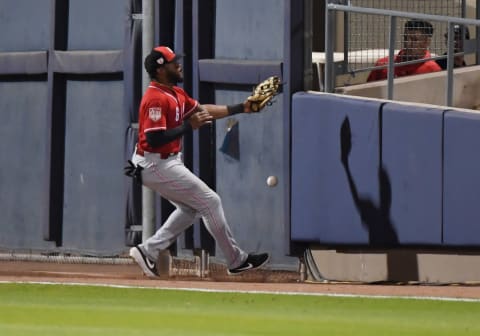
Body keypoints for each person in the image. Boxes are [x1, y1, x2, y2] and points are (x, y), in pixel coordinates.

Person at [128, 46, 269, 277]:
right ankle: (236, 260)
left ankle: (148, 251)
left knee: (191, 208)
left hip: (165, 161)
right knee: (210, 202)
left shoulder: (175, 93)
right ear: (161, 70)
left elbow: (204, 111)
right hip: (154, 162)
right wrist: (187, 126)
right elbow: (153, 139)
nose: (179, 65)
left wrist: (242, 108)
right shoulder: (155, 98)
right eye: (174, 63)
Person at [367, 19, 441, 82]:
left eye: (414, 39)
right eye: (406, 38)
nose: (408, 43)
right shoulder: (383, 64)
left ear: (427, 41)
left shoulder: (433, 71)